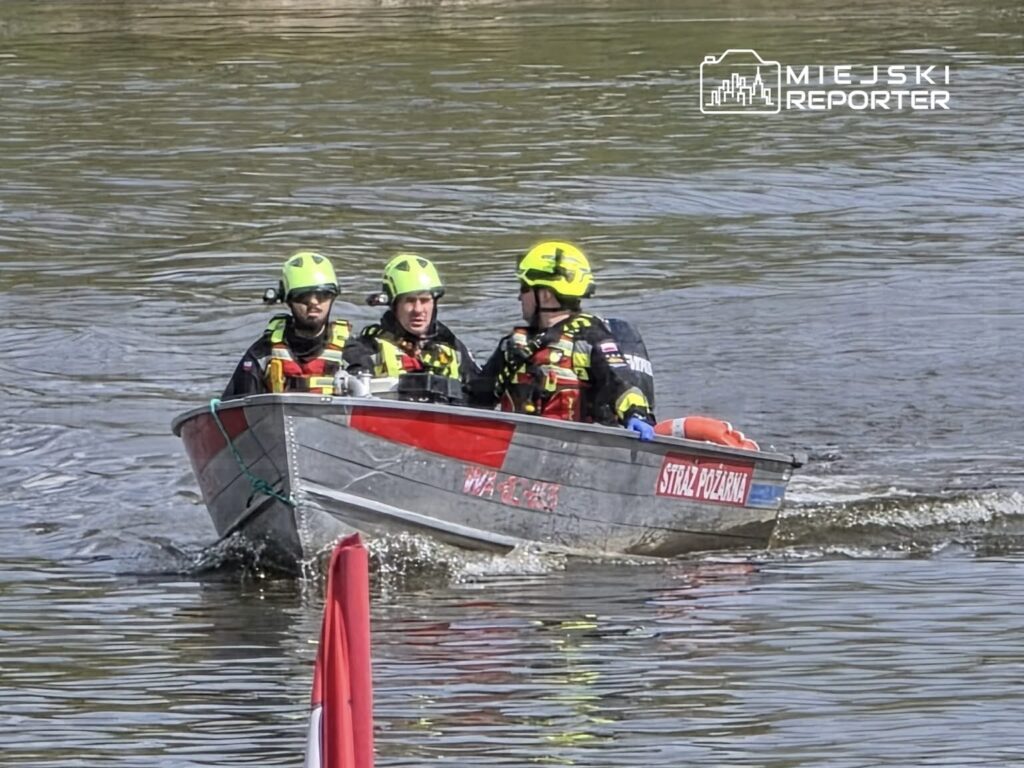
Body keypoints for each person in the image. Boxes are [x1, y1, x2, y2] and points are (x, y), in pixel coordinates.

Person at [469, 240, 656, 440]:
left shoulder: (590, 339)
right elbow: (476, 398)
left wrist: (636, 414)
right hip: (519, 447)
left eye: (524, 288)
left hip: (577, 449)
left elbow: (620, 382)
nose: (519, 297)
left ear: (546, 295)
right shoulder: (513, 346)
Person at [342, 253, 479, 404]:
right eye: (410, 301)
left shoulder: (453, 348)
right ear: (394, 305)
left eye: (425, 300)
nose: (418, 310)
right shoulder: (366, 349)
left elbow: (482, 396)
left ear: (434, 303)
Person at [221, 250, 352, 399]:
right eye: (303, 296)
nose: (313, 302)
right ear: (288, 301)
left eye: (322, 295)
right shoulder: (263, 352)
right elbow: (235, 406)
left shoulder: (351, 353)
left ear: (333, 298)